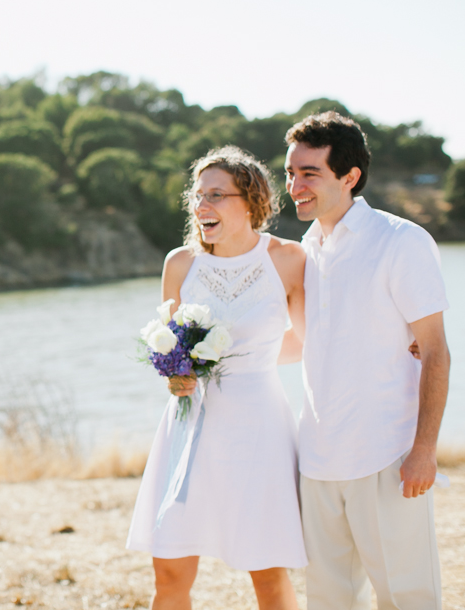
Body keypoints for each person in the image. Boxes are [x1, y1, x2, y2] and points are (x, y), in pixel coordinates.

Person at [127, 146, 307, 609]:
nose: (201, 205)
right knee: (169, 571)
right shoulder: (180, 264)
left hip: (259, 426)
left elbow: (307, 343)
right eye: (198, 194)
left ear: (250, 201)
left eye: (216, 195)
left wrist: (252, 361)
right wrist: (175, 375)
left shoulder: (289, 260)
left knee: (267, 573)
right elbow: (169, 348)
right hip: (190, 426)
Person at [285, 111, 450, 609]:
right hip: (316, 459)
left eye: (309, 173)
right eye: (291, 173)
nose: (295, 186)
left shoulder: (401, 242)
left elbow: (436, 351)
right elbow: (303, 343)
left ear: (349, 177)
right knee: (329, 599)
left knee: (407, 597)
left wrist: (423, 450)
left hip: (387, 456)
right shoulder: (304, 252)